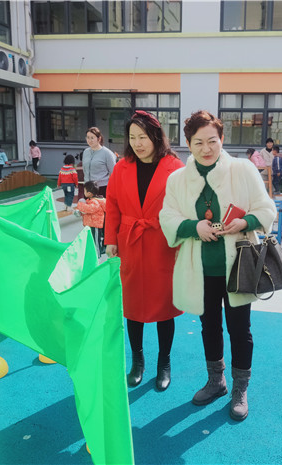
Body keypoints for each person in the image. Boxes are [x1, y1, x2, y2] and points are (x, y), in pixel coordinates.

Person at [160, 110, 276, 421]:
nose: (206, 148)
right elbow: (167, 216)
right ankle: (216, 381)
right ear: (188, 144)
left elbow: (267, 208)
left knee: (240, 329)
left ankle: (240, 387)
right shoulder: (178, 179)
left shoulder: (242, 169)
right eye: (198, 142)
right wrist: (193, 227)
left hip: (238, 266)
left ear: (222, 139)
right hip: (200, 269)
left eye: (212, 140)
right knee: (209, 326)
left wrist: (246, 221)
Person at [105, 110, 184, 392]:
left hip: (162, 243)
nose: (137, 143)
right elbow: (112, 204)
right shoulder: (121, 167)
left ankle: (164, 362)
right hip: (129, 242)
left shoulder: (175, 167)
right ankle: (137, 362)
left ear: (156, 136)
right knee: (133, 306)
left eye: (143, 137)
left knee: (164, 307)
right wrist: (110, 239)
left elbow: (183, 207)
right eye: (132, 137)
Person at [74, 181, 106, 256]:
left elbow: (90, 209)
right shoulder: (90, 201)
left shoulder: (95, 202)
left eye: (84, 191)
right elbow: (88, 212)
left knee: (95, 241)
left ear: (89, 193)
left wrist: (80, 205)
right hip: (91, 224)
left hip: (95, 225)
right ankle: (93, 254)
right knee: (91, 240)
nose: (84, 193)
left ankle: (97, 255)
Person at [82, 127, 116, 198]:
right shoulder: (85, 152)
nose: (89, 140)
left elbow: (114, 173)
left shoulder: (107, 153)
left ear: (99, 138)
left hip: (102, 188)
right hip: (87, 189)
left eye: (92, 138)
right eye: (88, 137)